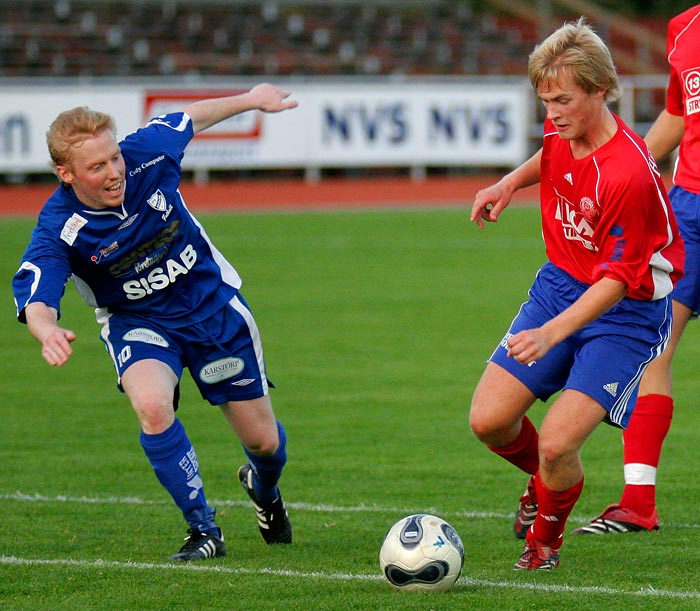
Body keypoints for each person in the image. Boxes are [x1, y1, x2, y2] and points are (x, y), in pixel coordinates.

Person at [12, 83, 298, 562]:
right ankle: (203, 528)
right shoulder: (60, 226)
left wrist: (252, 99)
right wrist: (47, 330)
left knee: (264, 443)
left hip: (212, 309)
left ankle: (264, 489)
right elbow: (37, 292)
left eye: (114, 158)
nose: (114, 171)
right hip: (138, 321)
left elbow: (190, 117)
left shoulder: (145, 153)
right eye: (97, 166)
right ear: (66, 174)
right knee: (151, 405)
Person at [468, 18, 685, 571]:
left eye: (563, 99)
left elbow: (617, 282)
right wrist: (507, 183)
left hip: (627, 311)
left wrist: (551, 332)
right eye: (545, 101)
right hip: (561, 284)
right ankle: (543, 485)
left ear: (599, 89)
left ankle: (544, 541)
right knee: (489, 421)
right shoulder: (560, 129)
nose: (553, 112)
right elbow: (549, 155)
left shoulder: (630, 175)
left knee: (559, 444)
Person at [573, 4, 700, 536]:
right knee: (655, 346)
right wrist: (630, 170)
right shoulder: (684, 28)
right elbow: (679, 111)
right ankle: (638, 501)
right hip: (688, 212)